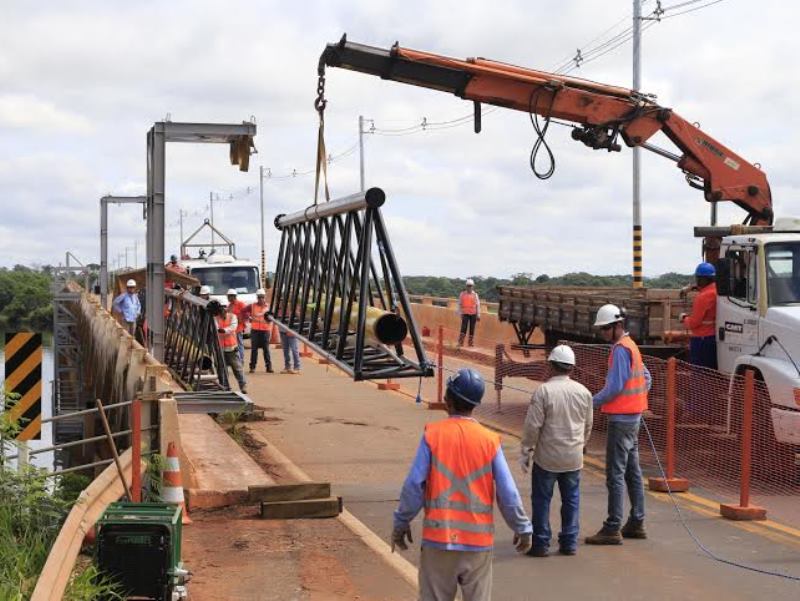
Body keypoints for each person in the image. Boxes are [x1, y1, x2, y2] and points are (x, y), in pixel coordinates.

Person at [392, 368, 533, 601]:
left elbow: (414, 486)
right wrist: (522, 527)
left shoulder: (433, 435)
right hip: (477, 544)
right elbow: (508, 493)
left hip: (438, 540)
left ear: (448, 400)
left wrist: (401, 521)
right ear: (475, 404)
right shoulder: (489, 441)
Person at [585, 304, 651, 545]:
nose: (603, 334)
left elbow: (613, 388)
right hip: (633, 418)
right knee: (632, 471)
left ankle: (613, 526)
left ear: (617, 326)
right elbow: (647, 378)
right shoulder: (631, 345)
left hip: (621, 420)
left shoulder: (621, 350)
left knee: (615, 474)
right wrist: (637, 399)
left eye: (605, 329)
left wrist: (588, 402)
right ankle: (636, 522)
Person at [519, 345, 593, 557]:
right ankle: (569, 542)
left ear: (550, 365)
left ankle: (541, 543)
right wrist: (580, 445)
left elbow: (533, 426)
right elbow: (587, 425)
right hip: (573, 457)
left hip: (547, 458)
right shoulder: (584, 393)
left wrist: (527, 450)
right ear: (572, 368)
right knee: (571, 499)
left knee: (542, 500)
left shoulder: (544, 391)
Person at [680, 262, 718, 369]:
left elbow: (693, 323)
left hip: (701, 340)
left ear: (702, 279)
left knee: (699, 374)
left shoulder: (703, 297)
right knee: (710, 373)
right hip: (713, 338)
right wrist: (692, 288)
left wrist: (684, 318)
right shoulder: (717, 291)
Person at [215, 300, 247, 394]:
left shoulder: (233, 317)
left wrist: (223, 330)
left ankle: (243, 385)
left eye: (225, 308)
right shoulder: (216, 318)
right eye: (222, 308)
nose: (223, 310)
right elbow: (215, 327)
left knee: (237, 368)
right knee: (222, 368)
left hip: (232, 348)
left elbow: (233, 327)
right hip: (221, 348)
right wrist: (220, 330)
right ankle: (225, 386)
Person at [246, 288, 273, 374]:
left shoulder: (268, 307)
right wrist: (248, 317)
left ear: (264, 297)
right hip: (255, 330)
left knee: (266, 349)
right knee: (254, 349)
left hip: (265, 330)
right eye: (259, 297)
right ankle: (252, 367)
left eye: (262, 297)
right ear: (257, 297)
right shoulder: (252, 306)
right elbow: (244, 311)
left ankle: (269, 367)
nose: (260, 299)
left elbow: (272, 317)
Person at [457, 279, 481, 348]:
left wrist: (478, 314)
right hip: (465, 314)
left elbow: (478, 305)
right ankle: (460, 342)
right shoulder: (462, 294)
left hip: (473, 314)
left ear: (473, 286)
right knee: (463, 328)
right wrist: (460, 313)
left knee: (472, 328)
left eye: (470, 286)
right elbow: (459, 304)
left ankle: (470, 343)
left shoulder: (475, 295)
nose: (469, 287)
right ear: (466, 286)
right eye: (468, 286)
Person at [226, 289, 247, 364]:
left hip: (238, 328)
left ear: (233, 296)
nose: (228, 298)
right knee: (233, 345)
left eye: (229, 296)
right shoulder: (229, 306)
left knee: (239, 344)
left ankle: (241, 360)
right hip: (232, 329)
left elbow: (246, 315)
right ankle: (235, 360)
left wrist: (241, 321)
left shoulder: (240, 304)